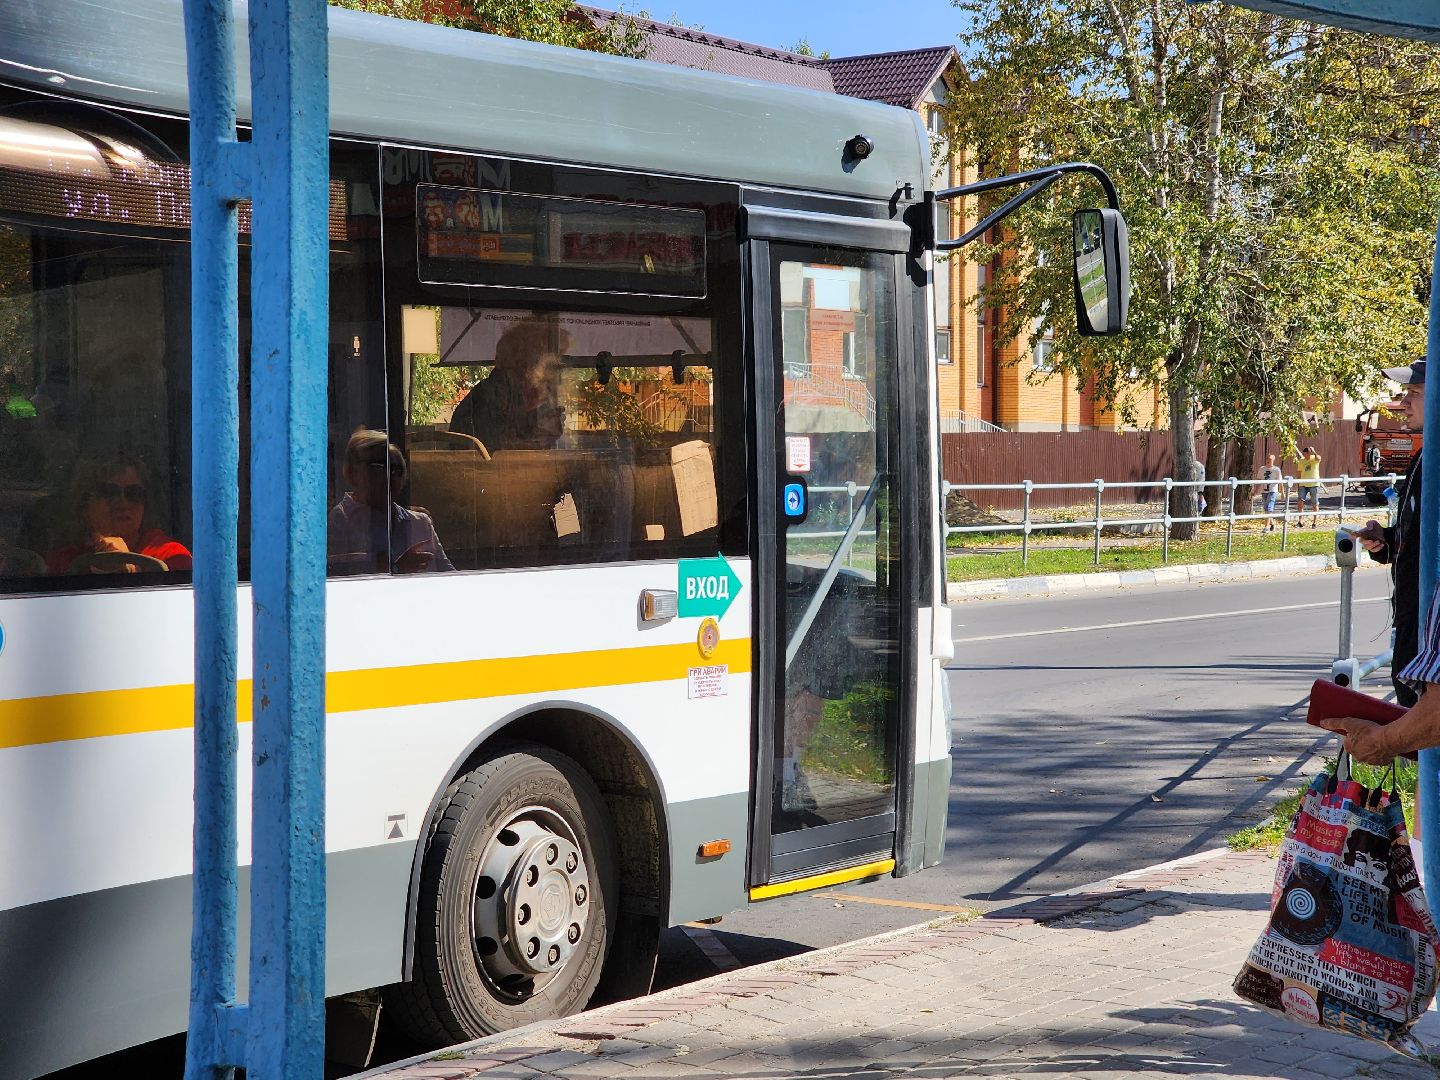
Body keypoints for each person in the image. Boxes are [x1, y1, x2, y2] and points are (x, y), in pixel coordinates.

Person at [1358, 360, 1426, 709]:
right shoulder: (1423, 458)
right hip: (1414, 613)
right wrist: (1384, 540)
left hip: (1431, 620)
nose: (1403, 402)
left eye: (1414, 393)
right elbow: (1417, 535)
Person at [328, 428, 455, 575]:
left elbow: (450, 576)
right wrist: (395, 569)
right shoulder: (338, 522)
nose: (390, 476)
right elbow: (335, 580)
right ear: (353, 471)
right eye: (380, 467)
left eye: (397, 470)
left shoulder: (420, 523)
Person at [45, 455, 191, 574]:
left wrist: (130, 567)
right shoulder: (62, 561)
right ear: (85, 504)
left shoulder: (170, 556)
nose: (123, 503)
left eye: (134, 494)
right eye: (110, 493)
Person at [449, 320, 570, 451]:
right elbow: (497, 458)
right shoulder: (489, 398)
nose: (555, 379)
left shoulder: (511, 399)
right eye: (550, 368)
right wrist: (538, 432)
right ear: (523, 365)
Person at [1297, 446, 1322, 527]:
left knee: (1314, 503)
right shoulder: (1301, 460)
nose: (1305, 456)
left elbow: (1318, 458)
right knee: (1300, 501)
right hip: (1303, 484)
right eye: (1304, 454)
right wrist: (1298, 483)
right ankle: (1301, 520)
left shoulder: (1314, 459)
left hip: (1314, 484)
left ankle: (1315, 522)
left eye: (1306, 454)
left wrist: (1314, 451)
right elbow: (1299, 472)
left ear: (1309, 453)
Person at [1259, 453, 1282, 531]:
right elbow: (1258, 480)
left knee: (1269, 508)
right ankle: (1272, 523)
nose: (1268, 461)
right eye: (1267, 459)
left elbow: (1280, 482)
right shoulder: (1262, 469)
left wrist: (1282, 493)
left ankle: (1266, 527)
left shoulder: (1276, 469)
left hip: (1272, 491)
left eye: (1270, 459)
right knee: (1266, 509)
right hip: (1264, 490)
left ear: (1273, 460)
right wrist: (1255, 490)